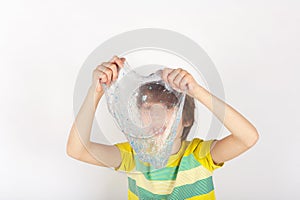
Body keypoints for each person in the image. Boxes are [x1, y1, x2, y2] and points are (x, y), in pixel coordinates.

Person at [66, 55, 259, 199]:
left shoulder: (200, 155)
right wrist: (96, 91)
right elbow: (77, 150)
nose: (156, 116)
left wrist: (197, 91)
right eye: (148, 108)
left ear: (186, 119)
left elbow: (248, 138)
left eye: (168, 107)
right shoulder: (132, 157)